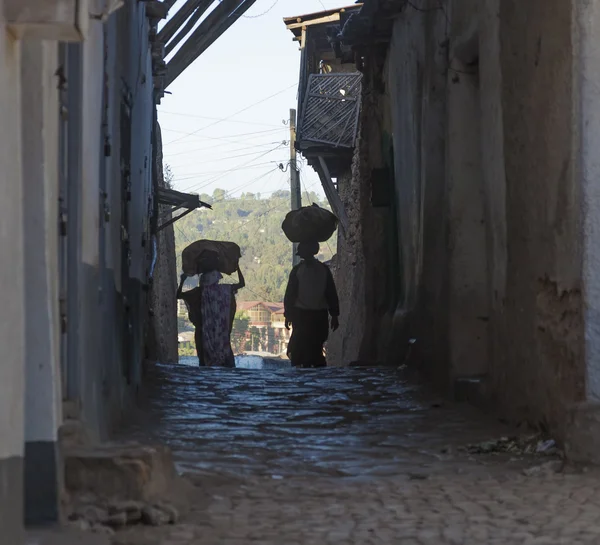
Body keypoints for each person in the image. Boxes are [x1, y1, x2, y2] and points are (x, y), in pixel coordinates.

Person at [177, 258, 245, 367]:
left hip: (202, 333)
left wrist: (182, 280)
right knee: (225, 361)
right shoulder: (224, 290)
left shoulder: (198, 292)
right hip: (221, 334)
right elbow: (242, 283)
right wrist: (237, 268)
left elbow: (179, 295)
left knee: (203, 361)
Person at [284, 241, 339, 368]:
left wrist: (288, 315)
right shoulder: (324, 270)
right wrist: (334, 315)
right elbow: (331, 293)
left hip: (301, 315)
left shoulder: (297, 270)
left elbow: (290, 295)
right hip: (319, 316)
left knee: (300, 348)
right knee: (316, 347)